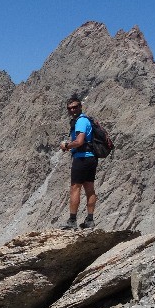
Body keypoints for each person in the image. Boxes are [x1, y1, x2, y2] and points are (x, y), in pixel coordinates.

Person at [60, 96, 97, 229]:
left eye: (75, 107)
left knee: (75, 188)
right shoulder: (86, 120)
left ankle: (72, 221)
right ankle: (90, 220)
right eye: (70, 108)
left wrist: (66, 145)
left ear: (80, 107)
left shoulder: (80, 121)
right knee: (89, 188)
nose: (72, 110)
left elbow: (79, 141)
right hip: (91, 158)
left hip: (82, 158)